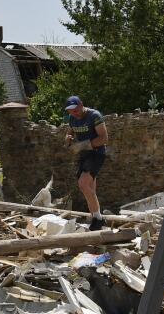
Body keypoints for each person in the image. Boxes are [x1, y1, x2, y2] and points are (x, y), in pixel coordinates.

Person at [64, 95, 108, 230]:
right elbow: (68, 134)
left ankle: (99, 219)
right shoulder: (72, 118)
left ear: (81, 105)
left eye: (75, 110)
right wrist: (68, 138)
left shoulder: (94, 116)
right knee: (89, 188)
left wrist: (82, 145)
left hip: (96, 154)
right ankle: (96, 219)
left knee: (83, 184)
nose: (73, 113)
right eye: (70, 111)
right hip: (84, 155)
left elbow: (104, 138)